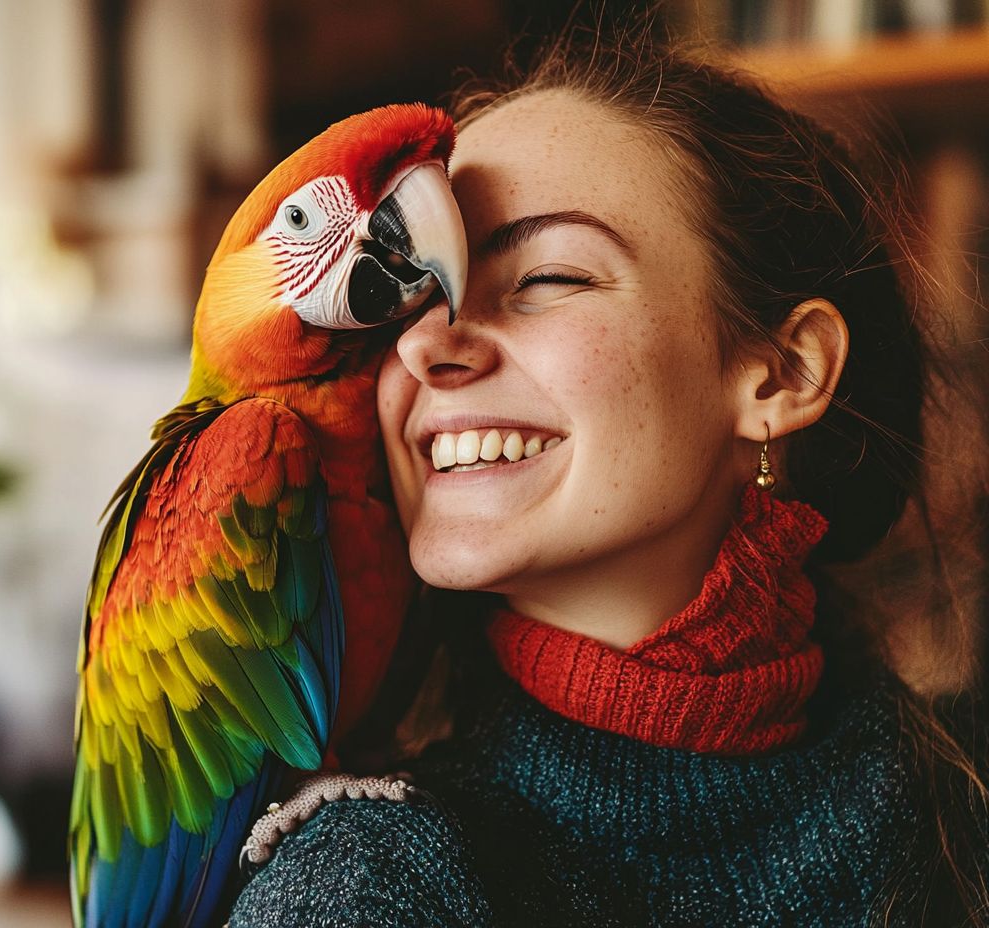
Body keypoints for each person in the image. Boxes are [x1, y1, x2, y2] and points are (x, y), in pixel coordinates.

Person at [228, 18, 989, 928]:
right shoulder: (370, 886)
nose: (428, 347)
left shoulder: (958, 801)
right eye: (417, 300)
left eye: (547, 277)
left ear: (785, 373)